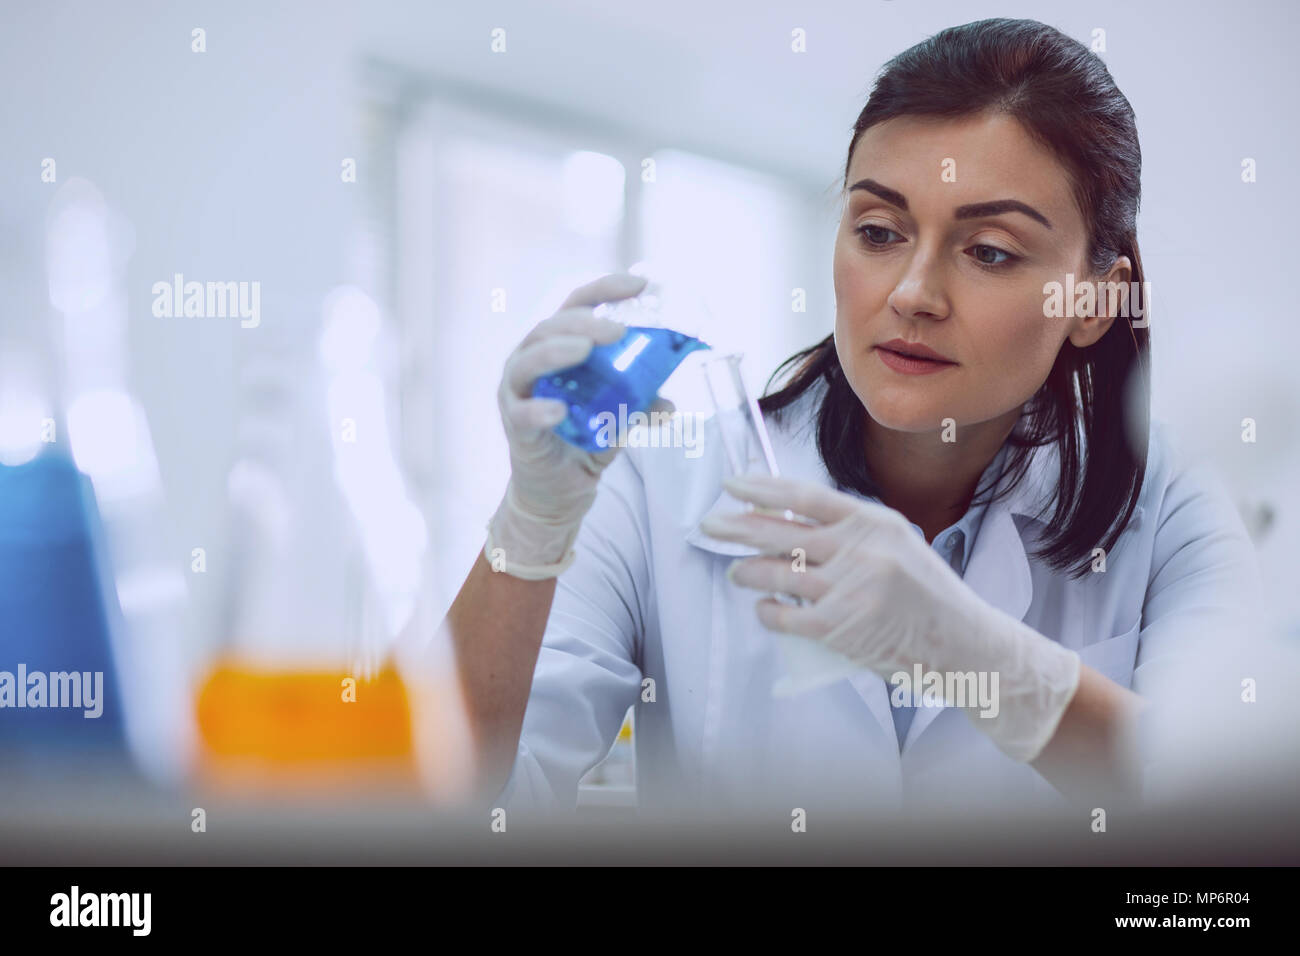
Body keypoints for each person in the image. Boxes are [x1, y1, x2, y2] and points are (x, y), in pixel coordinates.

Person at [436, 18, 1263, 819]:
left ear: (1095, 303)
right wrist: (530, 528)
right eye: (878, 231)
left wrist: (980, 657)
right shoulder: (659, 483)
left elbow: (1239, 810)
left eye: (990, 251)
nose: (912, 293)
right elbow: (452, 806)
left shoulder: (1169, 507)